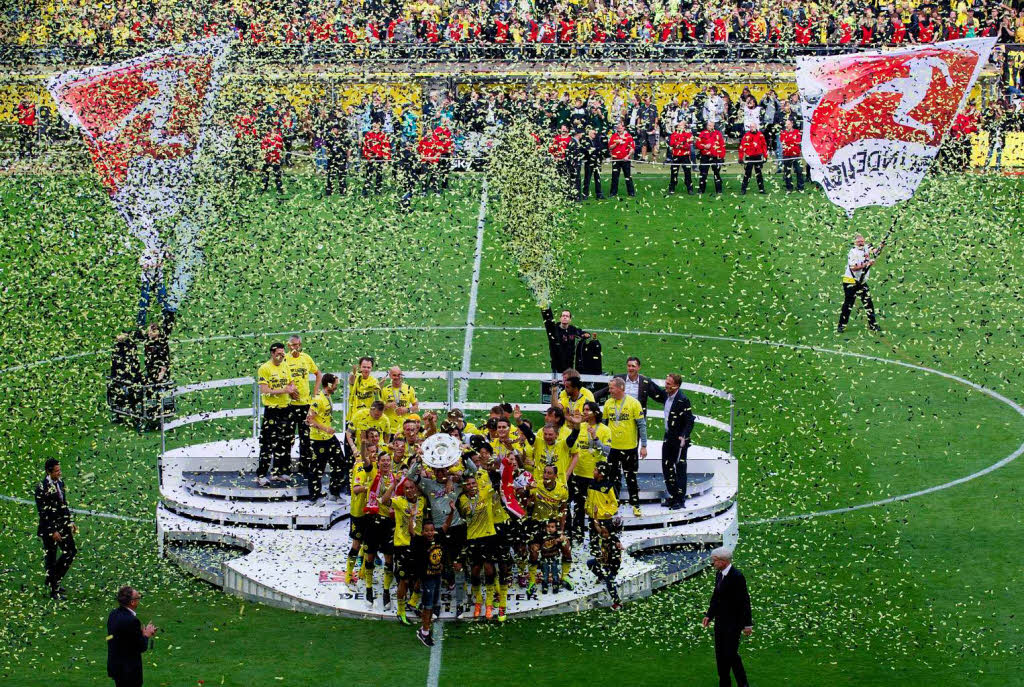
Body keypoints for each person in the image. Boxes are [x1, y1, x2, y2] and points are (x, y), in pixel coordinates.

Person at [702, 547, 753, 687]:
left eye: (715, 561)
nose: (713, 563)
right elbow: (716, 597)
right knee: (720, 655)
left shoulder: (737, 577)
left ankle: (743, 684)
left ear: (723, 561)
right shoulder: (719, 574)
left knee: (730, 655)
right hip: (720, 622)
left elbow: (744, 601)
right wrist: (709, 615)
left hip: (733, 624)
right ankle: (724, 683)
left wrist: (747, 624)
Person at [600, 378, 646, 517]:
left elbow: (641, 425)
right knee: (612, 477)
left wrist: (643, 445)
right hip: (612, 448)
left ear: (620, 388)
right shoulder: (608, 403)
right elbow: (603, 424)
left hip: (629, 448)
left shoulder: (634, 403)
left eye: (612, 388)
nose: (609, 391)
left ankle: (636, 504)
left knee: (631, 477)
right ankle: (614, 503)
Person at [383, 479, 425, 625]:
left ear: (416, 489)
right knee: (404, 580)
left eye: (411, 488)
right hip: (402, 544)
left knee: (420, 575)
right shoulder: (399, 501)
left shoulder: (422, 501)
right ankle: (400, 611)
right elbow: (383, 500)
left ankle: (413, 602)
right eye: (406, 488)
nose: (409, 490)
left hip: (418, 543)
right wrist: (393, 485)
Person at [35, 459, 77, 600]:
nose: (60, 473)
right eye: (57, 471)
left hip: (63, 526)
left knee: (71, 551)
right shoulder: (41, 487)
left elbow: (63, 504)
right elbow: (43, 512)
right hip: (49, 529)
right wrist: (53, 531)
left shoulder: (60, 483)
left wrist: (70, 522)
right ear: (48, 471)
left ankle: (53, 579)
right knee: (51, 558)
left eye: (60, 470)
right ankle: (54, 590)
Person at [256, 343, 297, 486]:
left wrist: (293, 390)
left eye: (283, 353)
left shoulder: (285, 366)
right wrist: (284, 390)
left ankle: (279, 472)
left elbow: (291, 384)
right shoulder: (264, 368)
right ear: (272, 354)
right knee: (267, 443)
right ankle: (261, 474)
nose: (281, 356)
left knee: (285, 441)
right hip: (272, 411)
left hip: (286, 408)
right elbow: (264, 390)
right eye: (279, 354)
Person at [585, 459, 622, 609]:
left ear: (601, 473)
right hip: (593, 517)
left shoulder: (608, 486)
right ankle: (600, 567)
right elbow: (589, 499)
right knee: (594, 541)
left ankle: (607, 569)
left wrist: (608, 513)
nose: (593, 472)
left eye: (595, 470)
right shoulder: (591, 483)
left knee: (606, 541)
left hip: (604, 519)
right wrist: (589, 509)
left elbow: (614, 503)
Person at [107, 586, 157, 687]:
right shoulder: (132, 621)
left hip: (116, 666)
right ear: (132, 602)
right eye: (138, 598)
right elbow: (141, 647)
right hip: (129, 671)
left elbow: (121, 638)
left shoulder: (113, 614)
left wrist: (139, 634)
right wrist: (147, 635)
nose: (139, 600)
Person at [286, 335, 321, 481]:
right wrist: (289, 389)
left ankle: (305, 467)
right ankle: (284, 468)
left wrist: (315, 392)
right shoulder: (284, 360)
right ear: (288, 346)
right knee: (288, 437)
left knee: (306, 437)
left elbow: (318, 374)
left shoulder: (306, 358)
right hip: (288, 405)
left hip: (305, 404)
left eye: (298, 345)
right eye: (293, 345)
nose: (296, 347)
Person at [660, 373, 695, 508]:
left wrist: (684, 435)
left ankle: (680, 500)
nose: (666, 386)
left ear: (676, 386)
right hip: (668, 437)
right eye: (666, 382)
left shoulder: (683, 400)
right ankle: (673, 496)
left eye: (668, 384)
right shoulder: (666, 395)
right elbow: (654, 391)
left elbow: (690, 420)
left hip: (679, 441)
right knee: (666, 467)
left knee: (679, 469)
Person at [305, 373, 341, 502]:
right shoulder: (318, 399)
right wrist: (326, 428)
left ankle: (334, 493)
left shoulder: (328, 396)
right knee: (317, 468)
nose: (337, 387)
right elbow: (309, 420)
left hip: (329, 438)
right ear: (330, 385)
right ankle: (314, 497)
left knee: (340, 463)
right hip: (318, 440)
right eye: (336, 384)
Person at [414, 519, 448, 647]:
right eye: (426, 531)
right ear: (422, 532)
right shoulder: (420, 542)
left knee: (432, 605)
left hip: (437, 576)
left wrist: (451, 513)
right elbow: (411, 531)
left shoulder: (437, 538)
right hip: (427, 578)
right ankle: (424, 632)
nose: (429, 533)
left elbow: (445, 525)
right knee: (427, 606)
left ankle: (425, 629)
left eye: (431, 530)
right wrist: (412, 518)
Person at [837, 234, 880, 333]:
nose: (861, 243)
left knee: (868, 303)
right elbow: (853, 267)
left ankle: (873, 325)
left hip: (861, 281)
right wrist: (867, 264)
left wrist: (881, 246)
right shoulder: (852, 253)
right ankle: (841, 326)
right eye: (858, 242)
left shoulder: (866, 247)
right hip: (850, 281)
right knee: (848, 304)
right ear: (855, 242)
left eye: (862, 241)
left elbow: (875, 251)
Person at [594, 356, 664, 411]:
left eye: (633, 366)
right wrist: (590, 397)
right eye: (629, 366)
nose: (630, 368)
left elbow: (659, 395)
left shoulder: (645, 382)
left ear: (639, 367)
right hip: (619, 415)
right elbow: (605, 391)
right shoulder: (618, 379)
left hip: (637, 417)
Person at [541, 307, 591, 375]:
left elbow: (582, 333)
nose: (565, 317)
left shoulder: (572, 329)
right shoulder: (554, 329)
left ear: (570, 319)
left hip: (569, 363)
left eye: (567, 316)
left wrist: (587, 334)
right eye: (563, 316)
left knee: (568, 382)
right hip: (557, 363)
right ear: (560, 318)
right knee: (557, 382)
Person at [608, 121, 636, 198]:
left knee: (628, 176)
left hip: (625, 160)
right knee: (614, 177)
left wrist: (628, 156)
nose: (619, 129)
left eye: (620, 128)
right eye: (618, 128)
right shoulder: (613, 136)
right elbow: (610, 147)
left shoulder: (629, 137)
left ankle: (631, 192)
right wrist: (616, 143)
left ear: (624, 128)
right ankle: (613, 193)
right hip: (616, 160)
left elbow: (632, 149)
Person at [697, 119, 725, 195]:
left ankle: (719, 190)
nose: (711, 127)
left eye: (712, 125)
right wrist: (704, 146)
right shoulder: (702, 133)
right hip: (705, 156)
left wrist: (722, 157)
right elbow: (697, 144)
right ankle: (701, 190)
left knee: (717, 174)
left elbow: (722, 145)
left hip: (715, 156)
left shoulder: (718, 133)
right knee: (703, 173)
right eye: (709, 125)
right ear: (707, 126)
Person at [738, 124, 768, 195]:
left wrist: (765, 156)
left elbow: (764, 146)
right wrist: (740, 158)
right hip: (749, 157)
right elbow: (742, 146)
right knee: (747, 174)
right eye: (750, 127)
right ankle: (743, 189)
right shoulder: (746, 135)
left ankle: (761, 189)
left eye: (753, 127)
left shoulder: (760, 135)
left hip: (758, 156)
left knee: (759, 173)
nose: (752, 128)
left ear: (756, 127)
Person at [347, 356, 380, 421]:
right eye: (364, 367)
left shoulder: (374, 380)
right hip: (354, 416)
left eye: (368, 367)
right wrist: (353, 372)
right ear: (360, 367)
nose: (366, 369)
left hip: (368, 417)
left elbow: (377, 391)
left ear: (371, 368)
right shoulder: (356, 377)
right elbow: (351, 380)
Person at [667, 121, 695, 195]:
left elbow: (688, 146)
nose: (678, 127)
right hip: (676, 156)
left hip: (685, 156)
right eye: (678, 126)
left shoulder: (688, 134)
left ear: (684, 126)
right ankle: (671, 189)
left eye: (680, 125)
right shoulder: (673, 134)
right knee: (673, 173)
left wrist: (679, 144)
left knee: (688, 173)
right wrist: (683, 143)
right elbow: (672, 143)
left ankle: (690, 189)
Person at [779, 118, 804, 192]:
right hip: (786, 154)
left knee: (799, 171)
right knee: (787, 171)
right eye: (786, 124)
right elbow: (783, 141)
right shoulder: (782, 132)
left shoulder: (797, 132)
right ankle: (789, 188)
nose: (787, 126)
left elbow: (798, 141)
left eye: (789, 124)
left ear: (792, 124)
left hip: (796, 154)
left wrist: (789, 141)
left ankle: (800, 187)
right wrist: (792, 141)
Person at [581, 126, 605, 199]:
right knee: (587, 178)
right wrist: (594, 150)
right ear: (589, 133)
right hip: (589, 162)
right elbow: (586, 150)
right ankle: (585, 194)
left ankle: (599, 193)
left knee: (597, 178)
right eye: (593, 133)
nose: (595, 134)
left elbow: (600, 148)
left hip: (597, 162)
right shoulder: (585, 141)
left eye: (595, 133)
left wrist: (595, 150)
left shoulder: (597, 140)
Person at [260, 127, 285, 194]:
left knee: (277, 175)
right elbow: (263, 148)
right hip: (267, 159)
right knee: (265, 174)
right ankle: (263, 188)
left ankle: (280, 189)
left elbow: (281, 147)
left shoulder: (278, 138)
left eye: (275, 132)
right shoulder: (265, 139)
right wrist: (268, 148)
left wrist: (277, 148)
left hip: (276, 160)